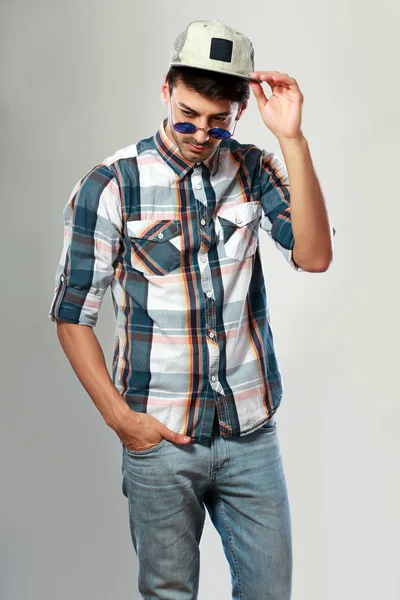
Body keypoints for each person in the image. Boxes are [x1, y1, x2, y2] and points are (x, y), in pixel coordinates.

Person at [49, 18, 335, 600]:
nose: (200, 134)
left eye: (217, 123)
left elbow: (315, 255)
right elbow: (72, 315)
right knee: (168, 594)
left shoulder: (252, 169)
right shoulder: (111, 186)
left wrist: (293, 140)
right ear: (165, 90)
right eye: (187, 116)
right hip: (160, 439)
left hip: (250, 433)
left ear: (238, 113)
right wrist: (123, 422)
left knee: (269, 592)